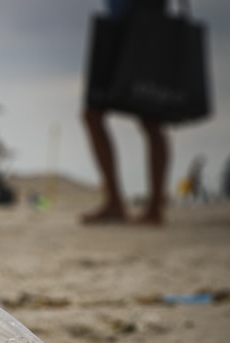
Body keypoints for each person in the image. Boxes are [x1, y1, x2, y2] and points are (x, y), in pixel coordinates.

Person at [81, 0, 170, 225]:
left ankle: (154, 207)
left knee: (151, 118)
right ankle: (115, 202)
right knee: (93, 113)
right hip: (116, 22)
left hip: (148, 21)